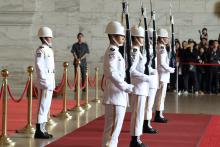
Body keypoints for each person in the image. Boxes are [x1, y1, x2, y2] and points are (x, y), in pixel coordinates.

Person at [102, 21, 134, 147]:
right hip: (115, 95)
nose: (124, 38)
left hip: (117, 94)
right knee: (112, 133)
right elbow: (112, 72)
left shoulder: (116, 51)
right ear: (113, 36)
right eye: (121, 36)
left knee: (113, 131)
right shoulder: (113, 51)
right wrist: (125, 86)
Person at [129, 25, 149, 147]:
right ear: (136, 38)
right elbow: (131, 70)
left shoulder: (138, 50)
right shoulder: (134, 51)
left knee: (140, 114)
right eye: (141, 37)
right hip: (138, 87)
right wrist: (146, 77)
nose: (143, 39)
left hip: (142, 87)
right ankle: (134, 140)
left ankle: (137, 138)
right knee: (137, 114)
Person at [34, 27, 55, 139]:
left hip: (50, 82)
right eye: (49, 37)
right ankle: (38, 131)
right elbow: (39, 66)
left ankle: (43, 129)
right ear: (44, 38)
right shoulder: (41, 50)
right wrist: (44, 81)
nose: (51, 38)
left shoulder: (49, 49)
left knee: (46, 106)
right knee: (42, 106)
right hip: (45, 82)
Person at [154, 28, 175, 123]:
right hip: (162, 75)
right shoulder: (161, 48)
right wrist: (170, 69)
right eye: (166, 38)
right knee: (161, 96)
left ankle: (159, 113)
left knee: (161, 95)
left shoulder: (158, 46)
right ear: (161, 38)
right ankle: (158, 114)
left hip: (161, 74)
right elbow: (162, 62)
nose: (167, 39)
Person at [143, 28, 159, 134]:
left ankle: (146, 123)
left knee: (149, 104)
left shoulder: (151, 48)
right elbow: (145, 65)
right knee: (148, 104)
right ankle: (146, 124)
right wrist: (152, 70)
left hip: (152, 79)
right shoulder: (146, 49)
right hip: (149, 79)